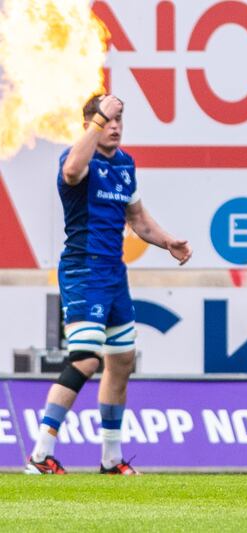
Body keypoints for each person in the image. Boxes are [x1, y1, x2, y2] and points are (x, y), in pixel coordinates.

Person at [26, 94, 192, 475]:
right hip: (84, 269)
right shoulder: (78, 159)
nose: (116, 127)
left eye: (120, 121)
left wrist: (168, 241)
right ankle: (39, 456)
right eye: (108, 121)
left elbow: (138, 219)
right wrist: (99, 120)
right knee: (84, 359)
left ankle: (111, 459)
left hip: (114, 274)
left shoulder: (125, 165)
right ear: (92, 124)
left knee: (122, 362)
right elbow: (70, 171)